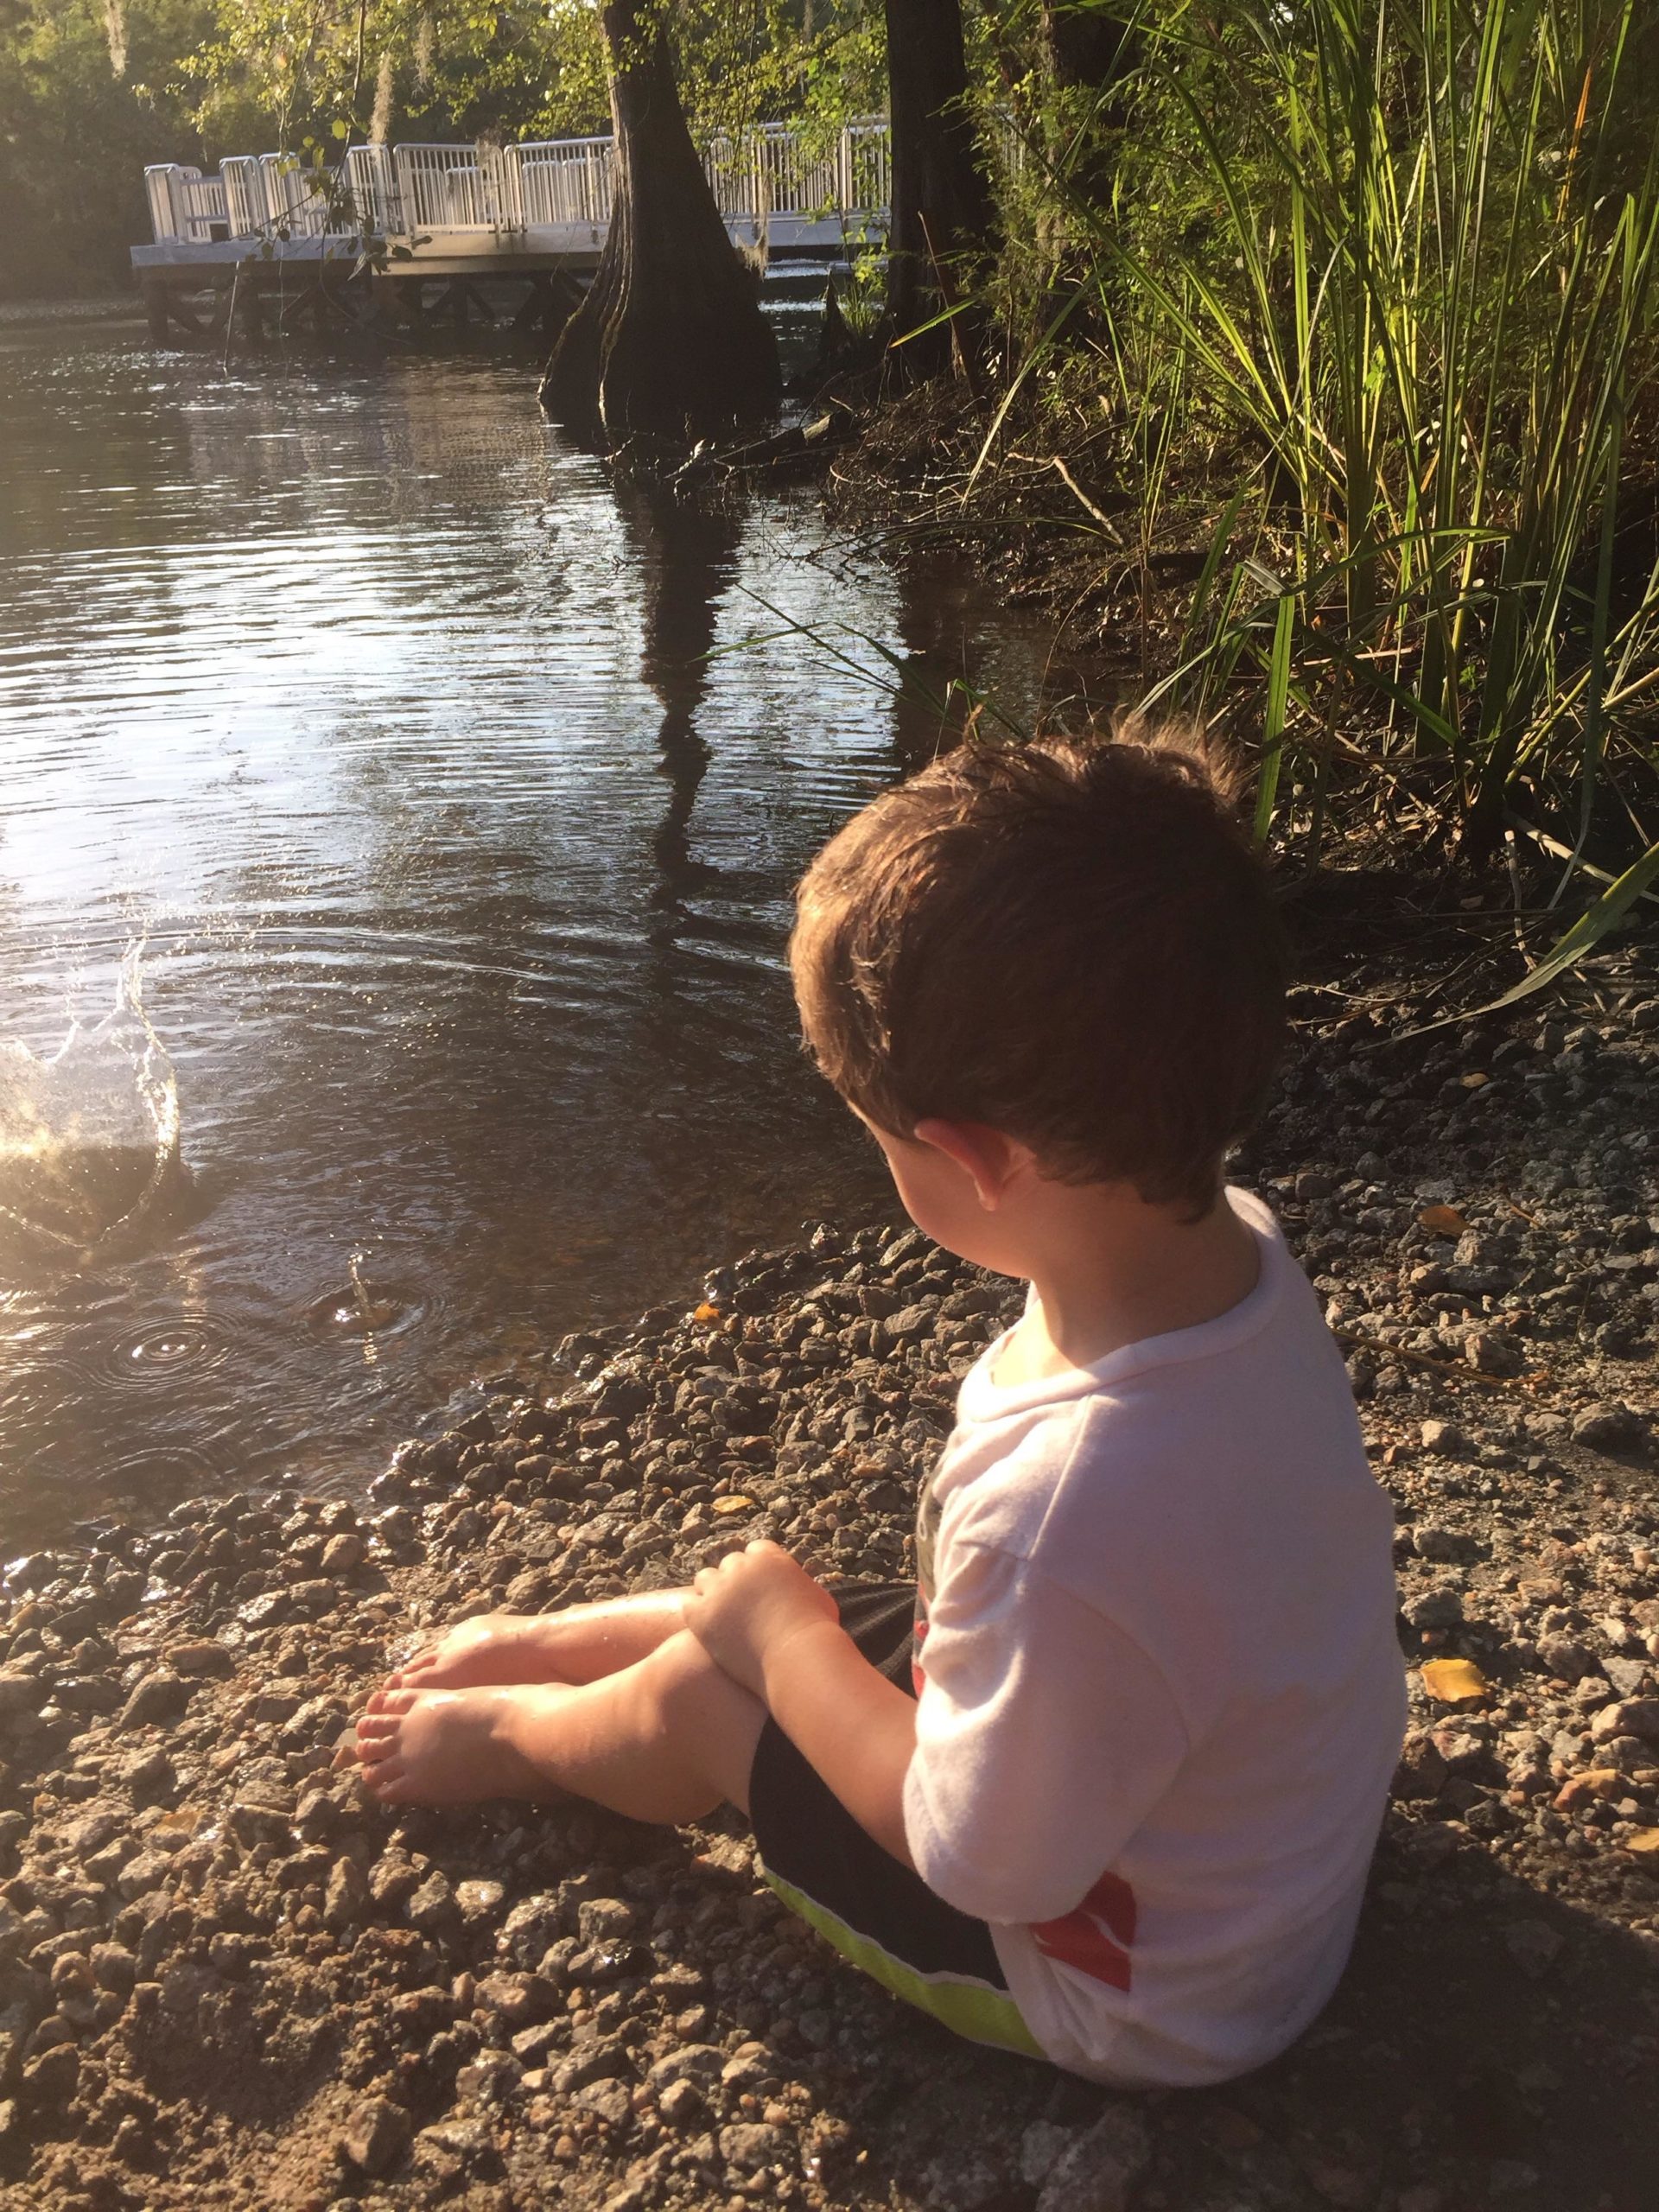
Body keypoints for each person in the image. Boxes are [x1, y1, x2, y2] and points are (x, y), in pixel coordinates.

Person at [349, 722, 1406, 2088]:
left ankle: (512, 1738)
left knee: (701, 1692)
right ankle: (551, 1639)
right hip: (1220, 1826)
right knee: (799, 1604)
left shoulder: (1072, 1512)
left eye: (872, 1131)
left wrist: (780, 1648)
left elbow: (982, 1856)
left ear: (971, 1160)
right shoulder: (1236, 1258)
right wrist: (793, 1626)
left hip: (1133, 1989)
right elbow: (1077, 1586)